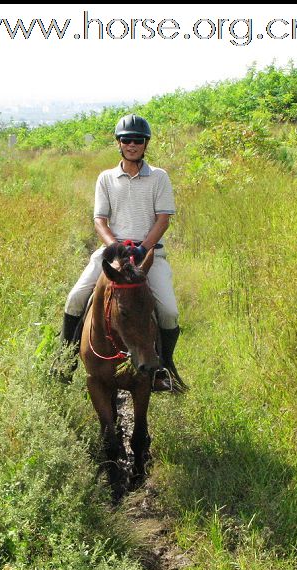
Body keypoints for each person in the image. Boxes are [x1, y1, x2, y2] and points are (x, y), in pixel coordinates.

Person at [54, 113, 187, 392]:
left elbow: (163, 219)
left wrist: (142, 248)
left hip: (149, 254)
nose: (132, 144)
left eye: (138, 140)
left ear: (145, 144)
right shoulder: (106, 178)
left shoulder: (159, 177)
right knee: (76, 297)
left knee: (169, 311)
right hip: (112, 253)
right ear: (119, 143)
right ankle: (66, 360)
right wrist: (115, 248)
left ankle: (165, 366)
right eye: (127, 140)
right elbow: (99, 220)